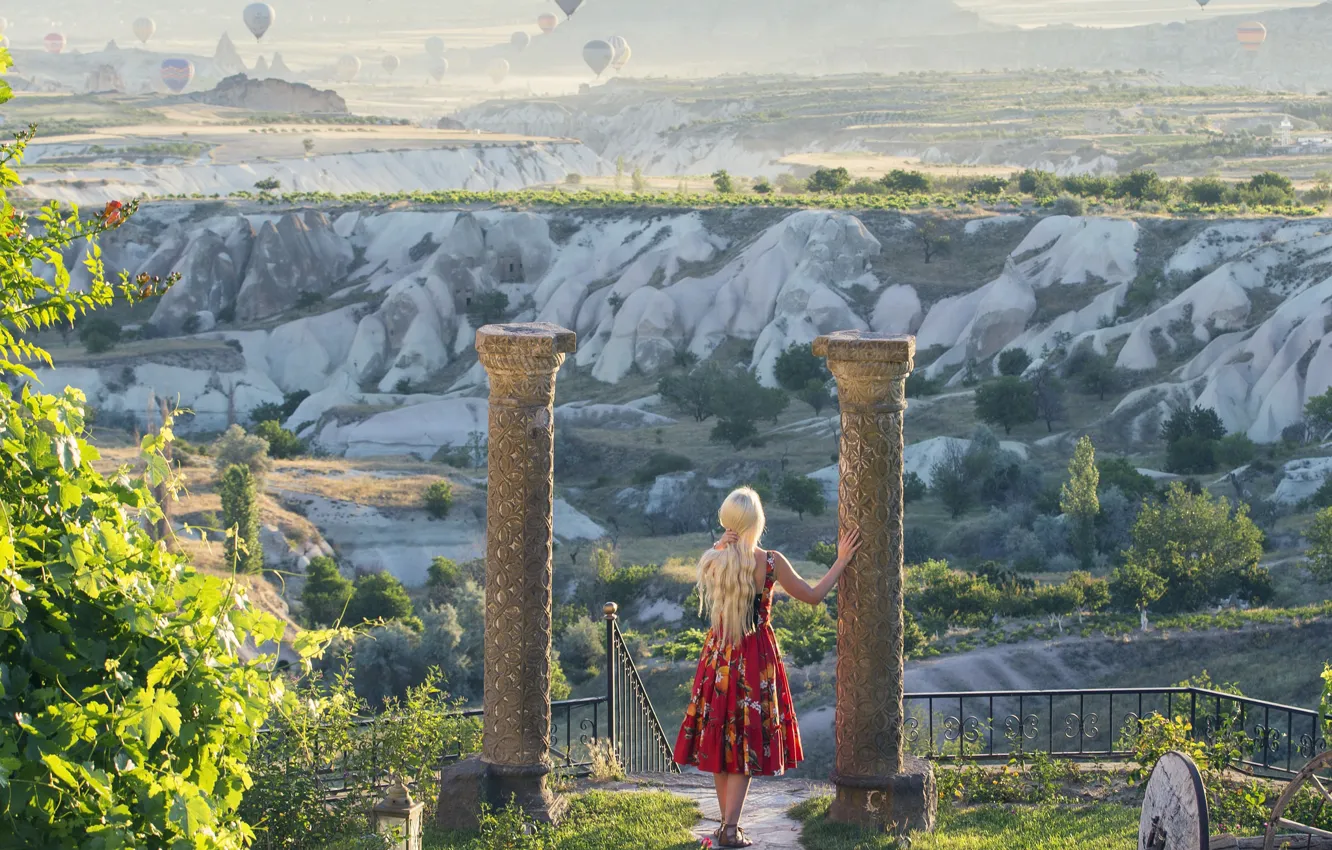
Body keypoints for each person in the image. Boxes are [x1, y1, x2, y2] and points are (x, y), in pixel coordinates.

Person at [673, 486, 861, 848]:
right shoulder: (771, 562)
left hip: (719, 655)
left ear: (727, 523)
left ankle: (726, 826)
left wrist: (719, 546)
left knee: (721, 735)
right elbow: (812, 595)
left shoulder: (714, 561)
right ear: (757, 522)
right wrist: (840, 561)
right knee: (745, 740)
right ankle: (730, 829)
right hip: (755, 656)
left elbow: (709, 560)